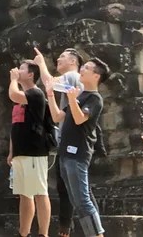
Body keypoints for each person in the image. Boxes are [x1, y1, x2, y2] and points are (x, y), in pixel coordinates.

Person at [46, 58, 110, 237]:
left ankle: (97, 234)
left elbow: (80, 118)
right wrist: (51, 95)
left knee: (83, 200)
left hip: (78, 153)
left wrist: (72, 100)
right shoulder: (80, 95)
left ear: (96, 75)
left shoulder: (94, 98)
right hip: (65, 153)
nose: (82, 69)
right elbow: (58, 116)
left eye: (87, 68)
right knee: (76, 200)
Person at [33, 46, 83, 237]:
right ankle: (66, 229)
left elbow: (49, 83)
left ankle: (68, 229)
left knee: (74, 189)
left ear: (73, 61)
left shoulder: (72, 77)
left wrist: (41, 63)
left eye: (62, 56)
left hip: (73, 141)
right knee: (66, 187)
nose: (58, 60)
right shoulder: (72, 79)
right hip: (67, 139)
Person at [7, 61, 51, 237]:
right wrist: (11, 151)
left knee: (40, 191)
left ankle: (43, 233)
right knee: (24, 194)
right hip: (20, 151)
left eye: (22, 69)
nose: (18, 70)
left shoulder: (35, 93)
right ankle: (23, 233)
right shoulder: (21, 99)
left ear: (31, 74)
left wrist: (13, 80)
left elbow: (13, 94)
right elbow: (15, 126)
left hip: (34, 150)